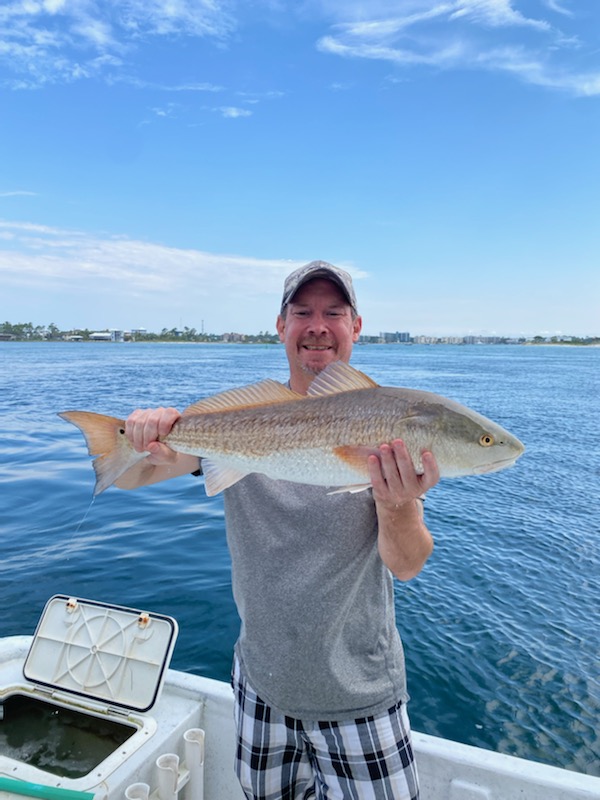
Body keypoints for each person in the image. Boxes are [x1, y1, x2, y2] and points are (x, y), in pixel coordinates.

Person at [117, 260, 440, 800]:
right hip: (259, 687)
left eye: (333, 313)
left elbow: (407, 565)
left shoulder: (388, 426)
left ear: (356, 327)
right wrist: (136, 438)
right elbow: (134, 477)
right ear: (280, 325)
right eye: (302, 312)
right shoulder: (241, 420)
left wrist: (397, 503)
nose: (317, 326)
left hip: (359, 696)